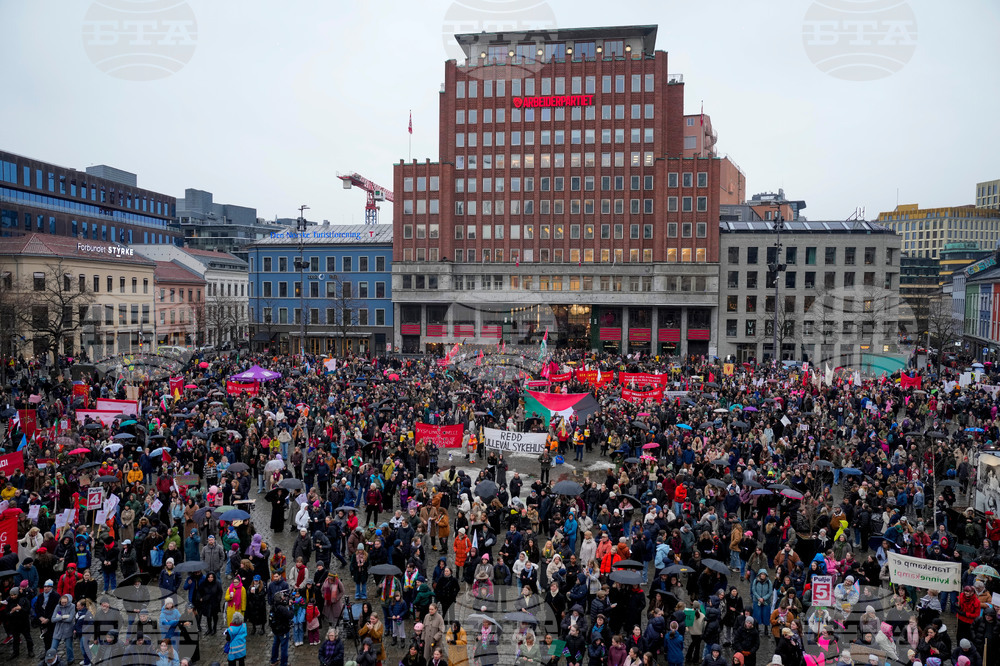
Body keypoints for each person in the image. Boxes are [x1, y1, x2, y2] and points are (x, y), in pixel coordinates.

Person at [269, 591, 294, 666]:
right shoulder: (282, 608)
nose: (284, 598)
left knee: (275, 644)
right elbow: (290, 615)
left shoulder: (273, 606)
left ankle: (274, 660)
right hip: (283, 630)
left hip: (275, 629)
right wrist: (291, 607)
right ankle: (284, 663)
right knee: (284, 648)